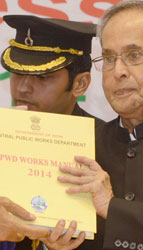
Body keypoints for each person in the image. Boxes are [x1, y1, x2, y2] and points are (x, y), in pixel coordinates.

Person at [53, 1, 143, 250]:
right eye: (109, 58)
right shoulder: (83, 143)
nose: (118, 71)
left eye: (134, 55)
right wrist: (53, 243)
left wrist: (113, 208)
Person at [0, 14, 105, 250]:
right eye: (16, 73)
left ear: (80, 84)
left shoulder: (108, 148)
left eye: (42, 77)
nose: (23, 88)